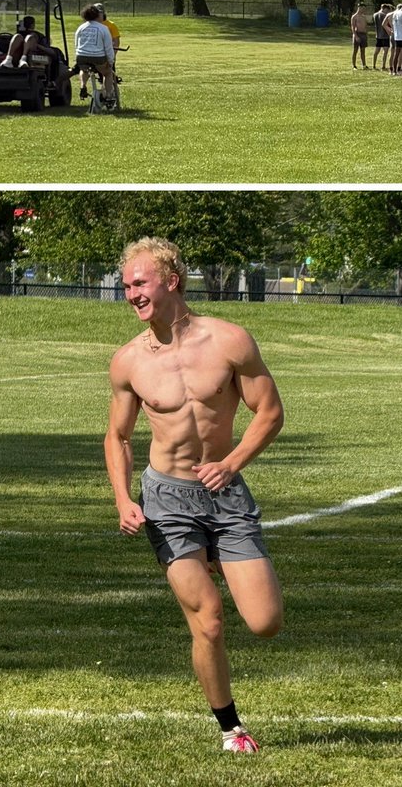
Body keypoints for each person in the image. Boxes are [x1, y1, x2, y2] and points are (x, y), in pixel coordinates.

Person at [106, 237, 284, 754]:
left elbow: (270, 413)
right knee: (208, 618)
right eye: (126, 286)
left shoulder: (229, 341)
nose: (132, 294)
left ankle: (219, 555)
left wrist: (231, 463)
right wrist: (123, 499)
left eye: (140, 283)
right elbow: (117, 437)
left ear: (172, 281)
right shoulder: (128, 362)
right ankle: (232, 729)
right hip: (167, 500)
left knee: (266, 622)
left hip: (224, 494)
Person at [73, 4, 117, 106]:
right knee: (108, 73)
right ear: (97, 15)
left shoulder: (81, 27)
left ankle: (83, 86)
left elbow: (76, 44)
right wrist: (111, 61)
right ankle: (109, 96)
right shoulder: (103, 28)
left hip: (81, 56)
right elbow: (108, 48)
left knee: (84, 70)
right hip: (98, 58)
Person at [372, 2, 392, 71]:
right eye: (388, 10)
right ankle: (383, 66)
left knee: (376, 51)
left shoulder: (375, 15)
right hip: (385, 35)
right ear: (385, 9)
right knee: (385, 51)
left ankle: (374, 65)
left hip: (378, 35)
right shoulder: (385, 15)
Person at [350, 4, 369, 70]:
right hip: (357, 33)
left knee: (363, 51)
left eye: (364, 8)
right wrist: (356, 36)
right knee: (355, 50)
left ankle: (364, 65)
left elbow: (365, 26)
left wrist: (366, 34)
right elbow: (352, 27)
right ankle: (354, 66)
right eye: (362, 8)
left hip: (363, 34)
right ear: (359, 8)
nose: (363, 10)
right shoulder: (354, 16)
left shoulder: (364, 17)